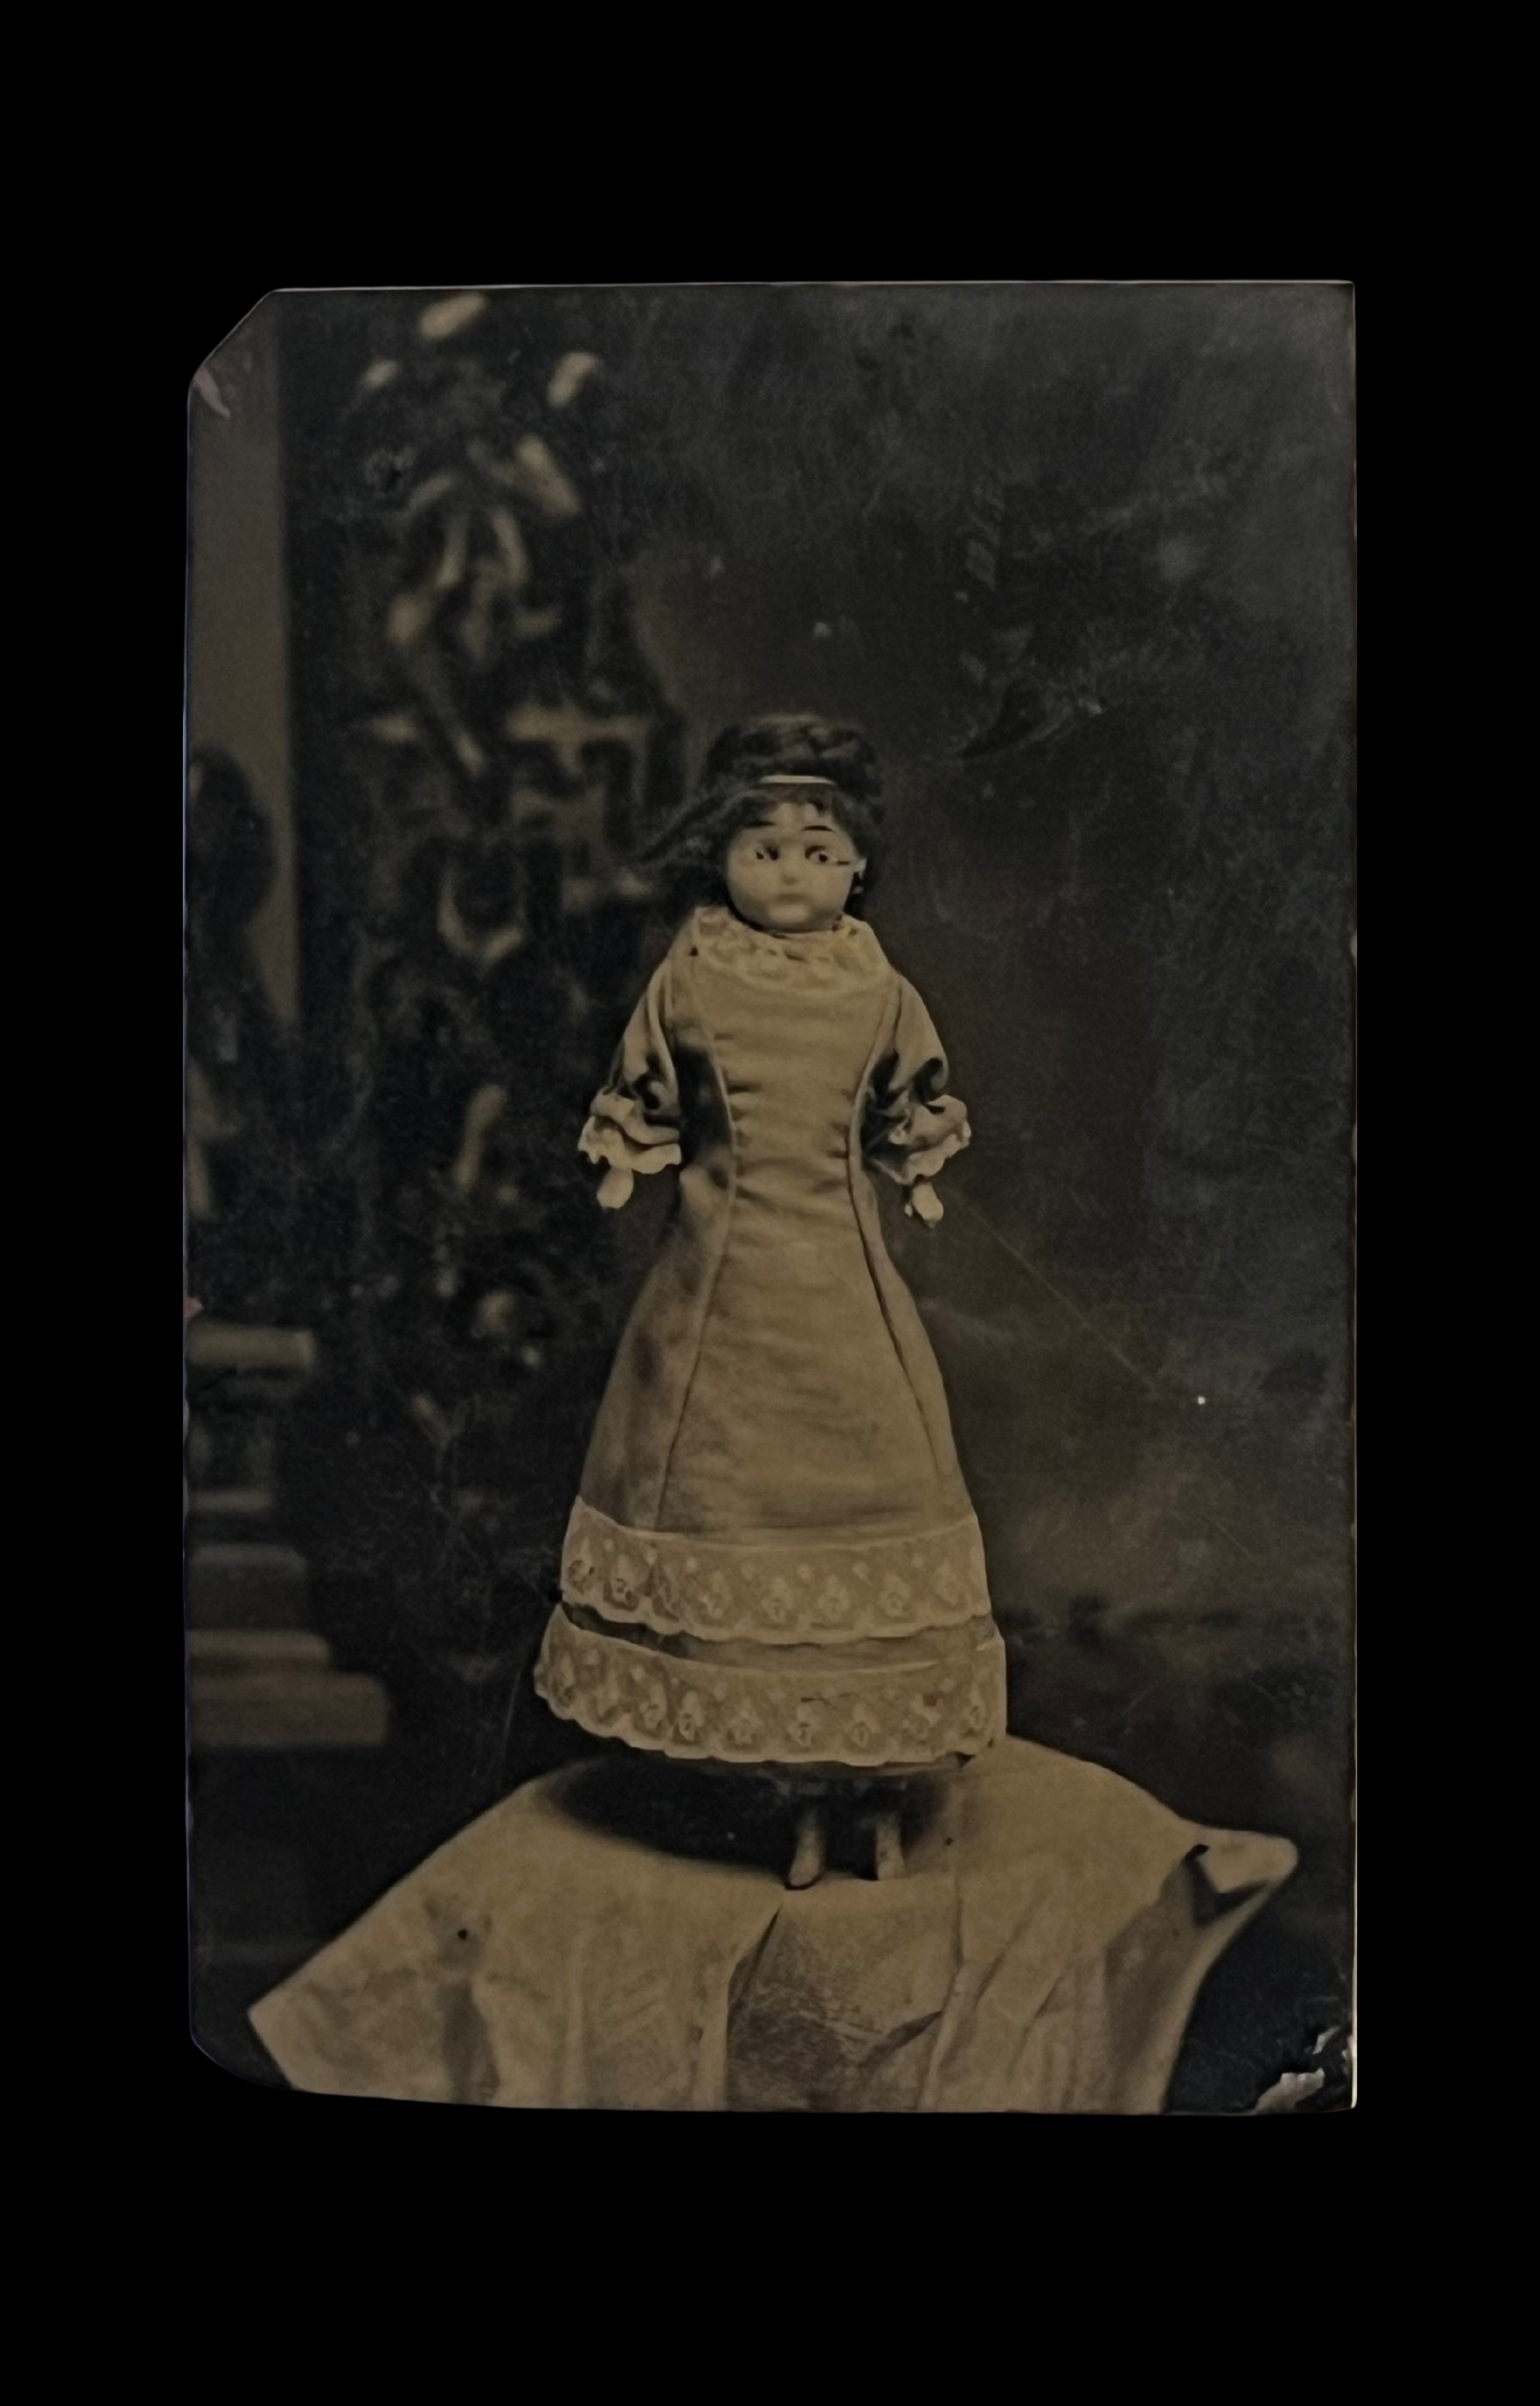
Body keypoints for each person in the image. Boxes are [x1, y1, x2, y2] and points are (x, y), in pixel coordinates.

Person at [533, 716, 1007, 1884]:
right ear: (722, 859)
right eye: (764, 848)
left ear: (855, 868)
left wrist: (918, 1160)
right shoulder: (693, 969)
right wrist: (625, 1150)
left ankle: (872, 1799)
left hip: (842, 1294)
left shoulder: (875, 981)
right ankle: (787, 1799)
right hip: (718, 1296)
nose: (789, 870)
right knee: (724, 1495)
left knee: (870, 1490)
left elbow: (912, 1092)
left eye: (817, 850)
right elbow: (643, 1076)